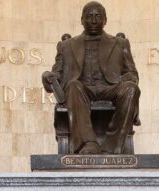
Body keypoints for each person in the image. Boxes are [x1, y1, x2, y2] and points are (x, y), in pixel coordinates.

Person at [41, 1, 139, 154]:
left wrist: (126, 80)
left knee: (131, 89)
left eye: (98, 16)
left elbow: (132, 73)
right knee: (73, 85)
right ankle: (88, 143)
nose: (93, 20)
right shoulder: (67, 45)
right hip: (82, 89)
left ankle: (112, 145)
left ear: (105, 20)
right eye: (89, 16)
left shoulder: (120, 43)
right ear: (82, 20)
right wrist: (47, 76)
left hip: (111, 88)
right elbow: (57, 74)